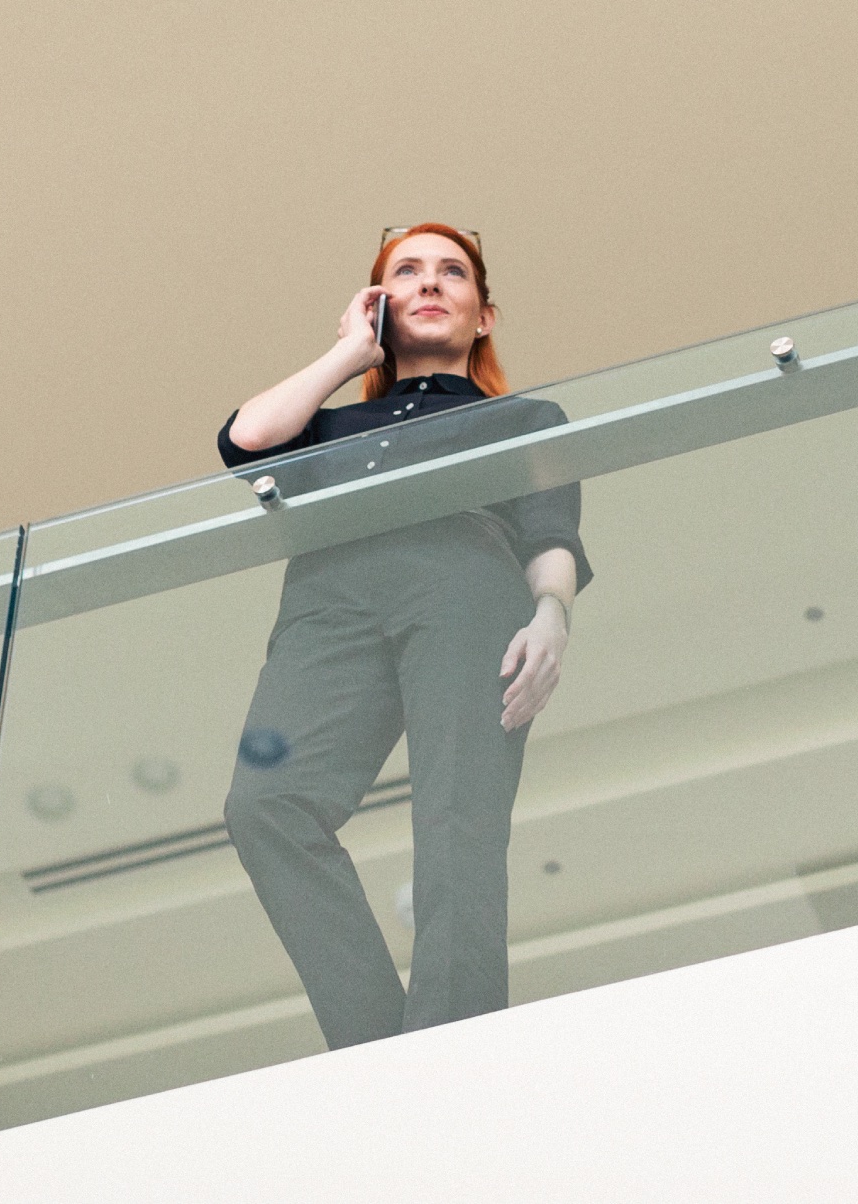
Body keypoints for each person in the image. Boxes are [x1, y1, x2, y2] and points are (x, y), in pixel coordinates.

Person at [218, 224, 592, 1049]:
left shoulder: (523, 416)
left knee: (458, 809)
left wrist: (551, 614)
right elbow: (244, 443)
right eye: (407, 272)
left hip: (461, 583)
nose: (429, 283)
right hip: (327, 602)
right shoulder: (327, 426)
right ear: (380, 301)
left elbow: (549, 529)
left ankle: (452, 1045)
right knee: (264, 804)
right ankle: (377, 1047)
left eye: (450, 272)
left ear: (483, 313)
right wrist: (350, 351)